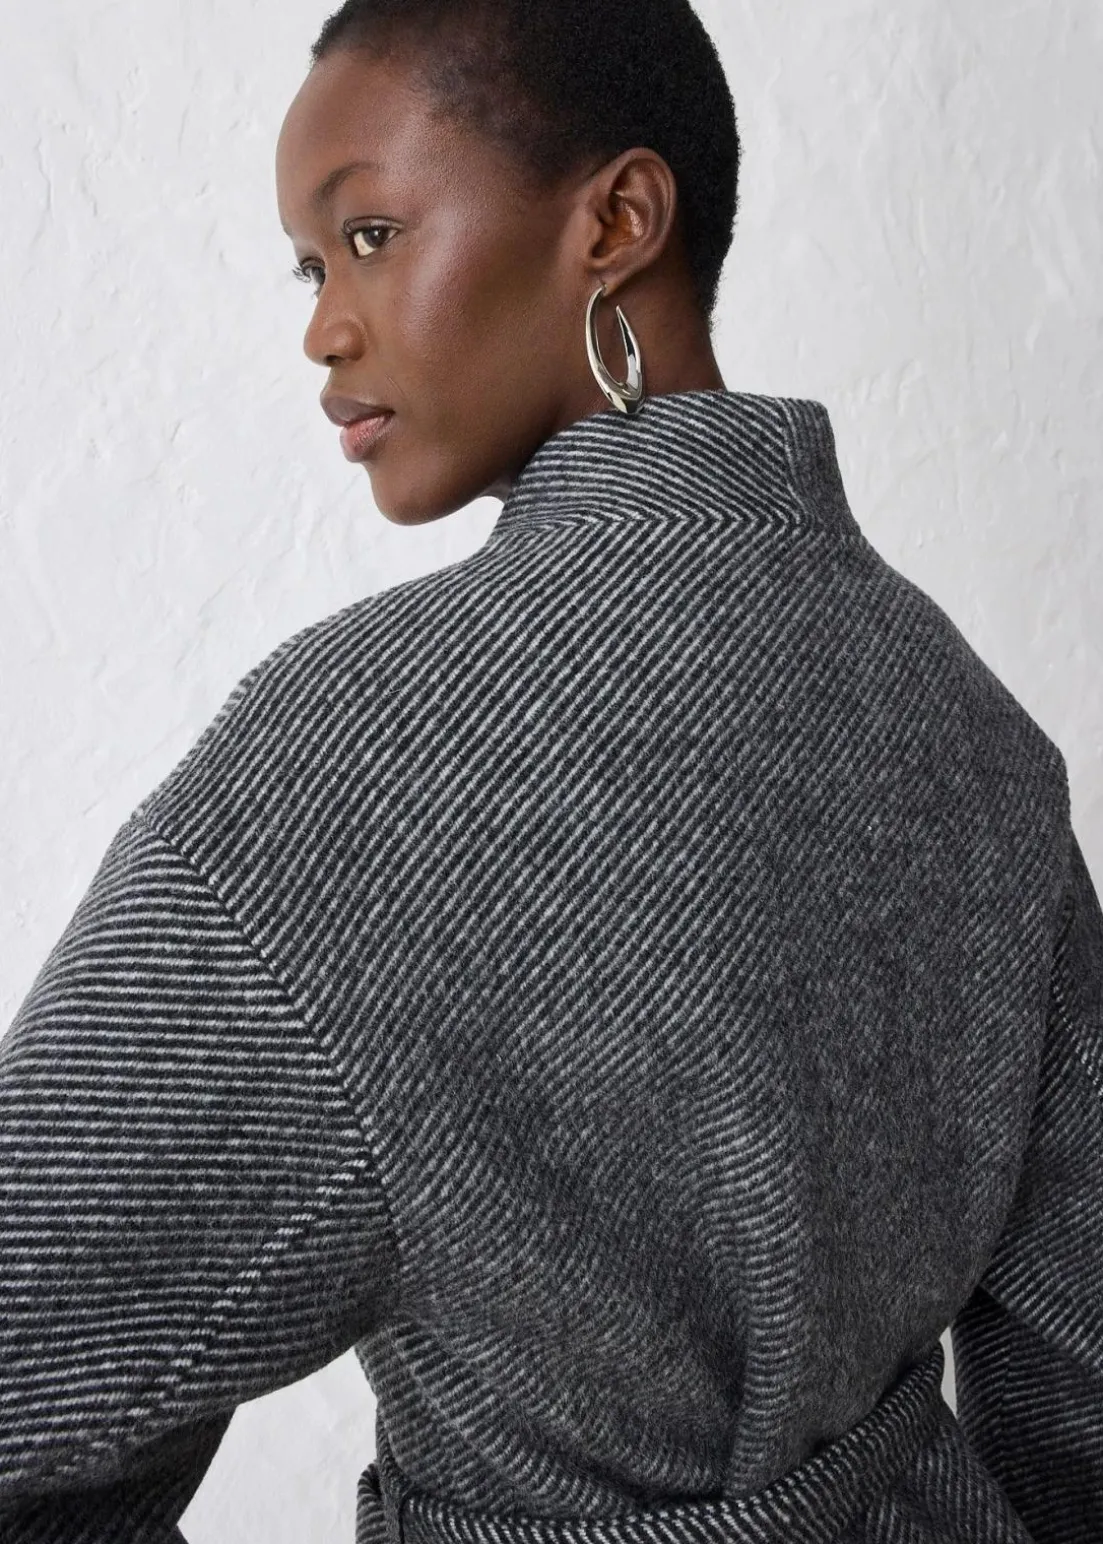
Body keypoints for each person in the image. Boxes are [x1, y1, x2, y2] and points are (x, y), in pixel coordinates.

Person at [0, 2, 1099, 1541]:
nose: (323, 327)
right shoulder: (967, 726)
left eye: (371, 234)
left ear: (617, 221)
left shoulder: (353, 759)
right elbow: (1076, 1383)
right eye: (312, 269)